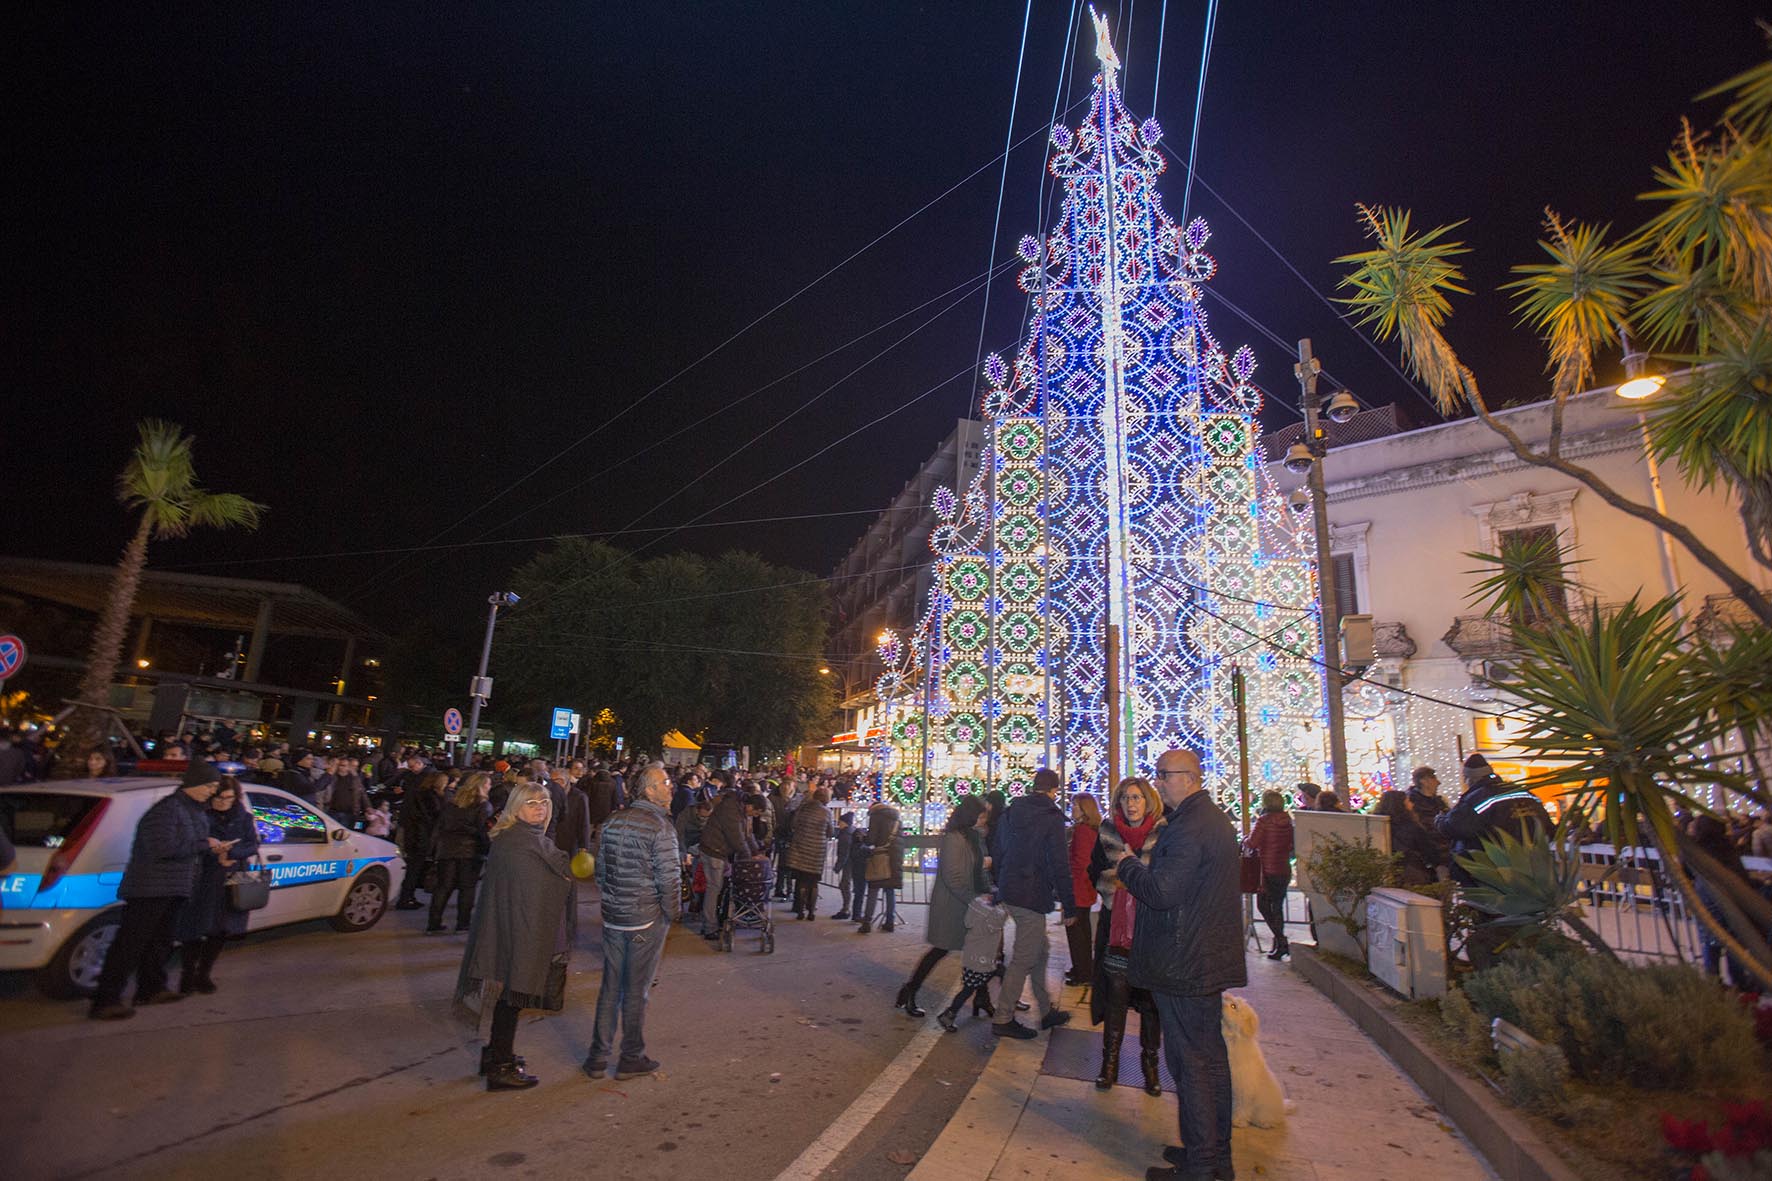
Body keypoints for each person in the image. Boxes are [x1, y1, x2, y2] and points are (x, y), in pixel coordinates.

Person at [1101, 748, 1245, 1181]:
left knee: (1192, 1065)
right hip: (1202, 956)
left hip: (1185, 961)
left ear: (1189, 777)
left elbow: (1161, 893)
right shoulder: (1210, 820)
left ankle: (1201, 1166)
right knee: (1210, 1060)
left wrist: (1126, 865)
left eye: (1164, 775)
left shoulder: (1187, 830)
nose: (1158, 782)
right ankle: (1215, 1158)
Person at [90, 761, 234, 1019]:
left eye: (214, 786)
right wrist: (204, 844)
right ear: (193, 783)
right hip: (150, 887)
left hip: (175, 885)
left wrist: (211, 849)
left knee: (160, 941)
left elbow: (188, 847)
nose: (211, 792)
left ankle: (151, 988)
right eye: (209, 786)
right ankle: (106, 998)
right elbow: (163, 848)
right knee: (130, 944)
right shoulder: (167, 810)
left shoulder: (195, 811)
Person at [456, 782, 576, 1090]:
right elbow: (541, 888)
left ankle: (496, 1053)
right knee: (514, 994)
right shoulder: (521, 842)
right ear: (516, 807)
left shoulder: (523, 838)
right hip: (521, 931)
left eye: (544, 802)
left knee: (511, 996)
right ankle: (500, 1066)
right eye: (532, 803)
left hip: (516, 927)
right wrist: (565, 876)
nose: (540, 808)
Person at [584, 765, 680, 1080]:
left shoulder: (612, 822)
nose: (670, 787)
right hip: (644, 923)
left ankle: (597, 1057)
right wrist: (671, 912)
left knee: (611, 986)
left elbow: (600, 872)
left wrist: (613, 899)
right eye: (665, 782)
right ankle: (631, 1056)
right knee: (636, 989)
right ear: (649, 790)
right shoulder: (660, 827)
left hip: (614, 918)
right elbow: (669, 880)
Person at [1087, 777, 1166, 1094]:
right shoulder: (1106, 833)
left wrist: (1134, 877)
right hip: (1116, 927)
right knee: (1115, 997)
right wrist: (1116, 882)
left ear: (1148, 801)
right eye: (1125, 798)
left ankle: (1151, 1067)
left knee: (1150, 1004)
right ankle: (1109, 1065)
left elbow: (1169, 879)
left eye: (1137, 797)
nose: (1131, 803)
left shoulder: (1164, 833)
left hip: (1151, 929)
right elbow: (1093, 871)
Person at [990, 767, 1078, 1039]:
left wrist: (1002, 882)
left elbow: (998, 849)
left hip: (1011, 890)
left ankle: (1046, 1010)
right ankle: (1003, 1018)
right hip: (1031, 893)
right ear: (1054, 790)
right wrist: (1070, 904)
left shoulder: (1012, 812)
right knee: (1024, 958)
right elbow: (1059, 865)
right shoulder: (1050, 818)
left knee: (1040, 950)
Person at [898, 796, 990, 1018]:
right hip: (953, 906)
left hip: (969, 904)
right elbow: (953, 876)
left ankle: (982, 997)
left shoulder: (973, 837)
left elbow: (976, 870)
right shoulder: (955, 838)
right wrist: (975, 899)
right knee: (940, 950)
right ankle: (910, 990)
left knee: (978, 954)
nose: (984, 820)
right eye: (981, 815)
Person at [174, 776, 260, 993]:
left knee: (220, 929)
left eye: (228, 798)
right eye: (218, 797)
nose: (222, 802)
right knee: (194, 928)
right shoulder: (200, 814)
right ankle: (187, 975)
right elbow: (188, 843)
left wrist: (231, 852)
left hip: (232, 877)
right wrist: (212, 852)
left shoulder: (243, 817)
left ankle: (204, 974)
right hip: (203, 878)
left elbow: (252, 845)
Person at [1437, 754, 1551, 884]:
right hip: (1532, 870)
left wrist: (1440, 820)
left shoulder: (1478, 799)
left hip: (1491, 873)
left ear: (1470, 778)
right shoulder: (1527, 795)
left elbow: (1456, 826)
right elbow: (1548, 828)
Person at [429, 771, 494, 934]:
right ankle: (463, 923)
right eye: (488, 784)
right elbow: (483, 830)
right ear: (482, 786)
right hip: (471, 850)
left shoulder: (453, 802)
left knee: (443, 887)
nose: (490, 787)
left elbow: (441, 825)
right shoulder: (483, 805)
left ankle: (434, 923)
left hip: (447, 848)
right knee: (467, 887)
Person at [936, 893, 1010, 1032]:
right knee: (969, 989)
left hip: (974, 957)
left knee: (1000, 976)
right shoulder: (992, 917)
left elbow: (970, 920)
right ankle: (949, 1014)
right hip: (982, 960)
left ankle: (997, 1004)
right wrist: (1005, 908)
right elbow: (998, 921)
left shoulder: (976, 908)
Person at [696, 787, 758, 940]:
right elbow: (737, 837)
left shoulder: (739, 810)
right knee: (713, 889)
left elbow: (747, 835)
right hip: (714, 850)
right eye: (756, 812)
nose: (755, 816)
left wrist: (756, 852)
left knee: (714, 888)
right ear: (750, 806)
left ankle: (708, 924)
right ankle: (710, 927)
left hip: (716, 850)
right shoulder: (731, 810)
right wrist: (749, 857)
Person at [1246, 789, 1295, 960]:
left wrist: (1245, 840)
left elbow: (1253, 843)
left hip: (1266, 870)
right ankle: (1279, 943)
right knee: (1277, 907)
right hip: (1283, 868)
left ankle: (1281, 941)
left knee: (1263, 905)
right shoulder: (1287, 821)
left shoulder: (1264, 821)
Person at [397, 770, 448, 910]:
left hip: (416, 836)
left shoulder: (420, 794)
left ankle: (409, 896)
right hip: (421, 837)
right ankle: (406, 898)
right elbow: (434, 816)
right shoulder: (430, 797)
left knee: (414, 869)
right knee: (414, 869)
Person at [1066, 793, 1102, 987]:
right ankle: (1083, 967)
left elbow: (1081, 861)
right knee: (1083, 930)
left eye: (1076, 807)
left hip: (1077, 887)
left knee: (1076, 931)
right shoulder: (1092, 830)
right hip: (1085, 888)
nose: (1073, 810)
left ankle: (1082, 972)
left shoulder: (1081, 831)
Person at [786, 785, 833, 920]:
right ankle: (811, 912)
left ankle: (800, 910)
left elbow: (793, 825)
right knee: (812, 882)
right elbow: (830, 832)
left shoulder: (803, 809)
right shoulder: (826, 812)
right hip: (816, 851)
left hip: (800, 848)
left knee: (801, 880)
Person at [857, 797, 904, 934]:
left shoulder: (876, 816)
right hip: (895, 856)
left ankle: (867, 922)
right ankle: (890, 921)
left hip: (881, 855)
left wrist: (863, 838)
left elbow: (872, 839)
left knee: (874, 888)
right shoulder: (897, 817)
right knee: (889, 890)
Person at [1374, 789, 1439, 886]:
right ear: (1401, 805)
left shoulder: (1377, 826)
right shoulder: (1411, 826)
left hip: (1386, 871)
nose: (1412, 804)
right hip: (1412, 870)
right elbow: (1428, 849)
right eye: (1408, 801)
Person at [830, 810, 858, 920]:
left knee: (844, 885)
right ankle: (847, 909)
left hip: (849, 864)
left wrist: (838, 866)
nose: (838, 824)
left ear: (845, 822)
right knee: (846, 885)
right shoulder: (851, 831)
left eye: (840, 822)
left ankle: (846, 909)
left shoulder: (845, 835)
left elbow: (844, 853)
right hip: (853, 863)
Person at [327, 756, 368, 829]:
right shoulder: (332, 778)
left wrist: (368, 807)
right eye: (340, 765)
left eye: (344, 766)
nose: (341, 768)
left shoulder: (354, 779)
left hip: (349, 812)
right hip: (332, 811)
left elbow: (361, 792)